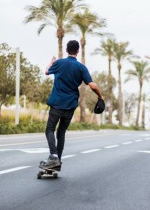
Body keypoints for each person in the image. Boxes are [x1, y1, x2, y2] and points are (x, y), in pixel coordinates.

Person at [39, 40, 104, 169]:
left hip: (57, 103)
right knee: (61, 132)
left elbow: (46, 72)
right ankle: (57, 162)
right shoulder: (81, 67)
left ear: (67, 50)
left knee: (50, 130)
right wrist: (100, 96)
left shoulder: (59, 63)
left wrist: (51, 63)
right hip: (70, 105)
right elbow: (92, 85)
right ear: (78, 51)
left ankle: (53, 156)